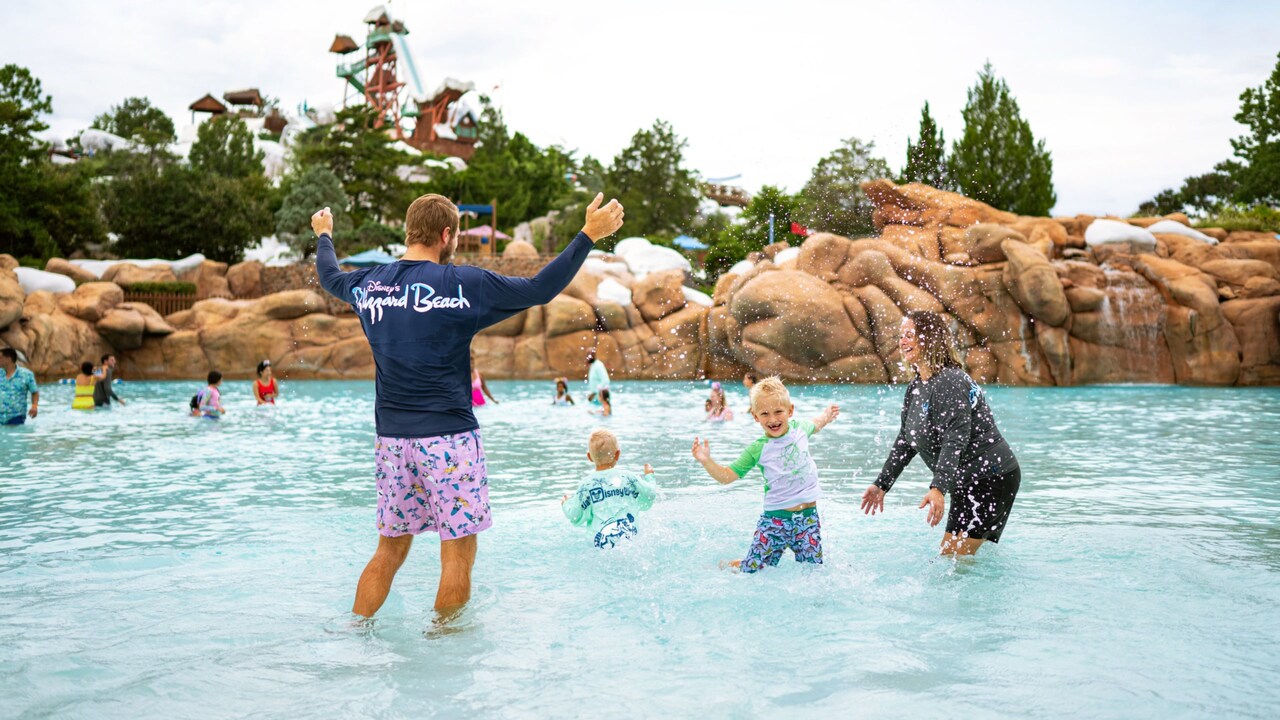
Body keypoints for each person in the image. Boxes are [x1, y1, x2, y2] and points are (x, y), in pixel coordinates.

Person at [313, 191, 624, 618]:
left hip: (391, 443)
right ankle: (443, 658)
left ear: (409, 231)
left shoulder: (368, 285)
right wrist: (588, 235)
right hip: (449, 441)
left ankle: (356, 638)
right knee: (456, 556)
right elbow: (541, 288)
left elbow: (330, 276)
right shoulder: (462, 285)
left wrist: (324, 235)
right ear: (447, 235)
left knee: (387, 552)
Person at [860, 311, 1021, 557]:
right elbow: (906, 439)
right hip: (968, 480)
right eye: (901, 336)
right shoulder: (917, 386)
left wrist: (937, 487)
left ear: (930, 339)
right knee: (962, 561)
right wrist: (882, 484)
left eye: (910, 335)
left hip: (990, 478)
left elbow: (956, 438)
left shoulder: (949, 381)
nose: (903, 342)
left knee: (952, 560)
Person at [691, 377, 840, 573]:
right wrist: (706, 461)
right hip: (775, 521)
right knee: (752, 570)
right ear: (755, 416)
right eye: (765, 414)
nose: (773, 419)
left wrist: (827, 416)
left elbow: (816, 424)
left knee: (813, 572)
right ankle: (728, 565)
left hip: (808, 520)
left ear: (790, 410)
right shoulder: (758, 449)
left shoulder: (800, 429)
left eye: (778, 411)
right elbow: (727, 476)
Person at [561, 429, 657, 549]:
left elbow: (575, 515)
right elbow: (651, 494)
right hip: (631, 543)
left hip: (599, 547)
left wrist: (566, 503)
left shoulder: (586, 485)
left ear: (589, 457)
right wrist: (650, 476)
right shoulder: (627, 477)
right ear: (617, 454)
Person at [0, 347, 39, 425]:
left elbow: (34, 392)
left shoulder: (27, 375)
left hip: (16, 417)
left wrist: (34, 407)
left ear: (8, 359)